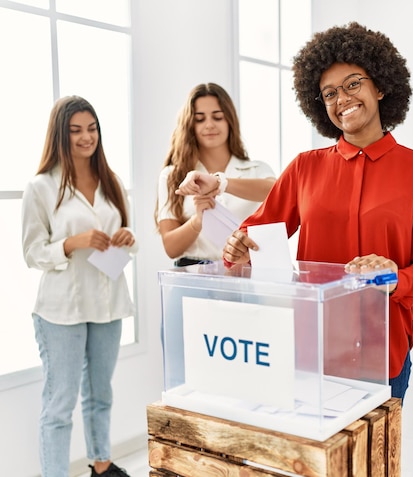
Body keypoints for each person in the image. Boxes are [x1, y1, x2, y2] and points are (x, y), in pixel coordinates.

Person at [177, 23, 413, 401]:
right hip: (313, 350)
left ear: (381, 86)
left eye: (353, 84)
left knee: (377, 460)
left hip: (385, 350)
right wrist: (237, 246)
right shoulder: (305, 168)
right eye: (329, 93)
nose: (342, 99)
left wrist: (394, 278)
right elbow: (254, 233)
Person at [21, 96, 136, 477]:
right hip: (61, 311)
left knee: (100, 394)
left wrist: (124, 237)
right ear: (60, 135)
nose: (86, 137)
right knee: (59, 404)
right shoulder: (41, 187)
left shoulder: (111, 180)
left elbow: (132, 240)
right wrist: (73, 242)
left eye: (92, 128)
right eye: (76, 131)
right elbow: (32, 252)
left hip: (107, 304)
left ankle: (101, 465)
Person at [155, 82, 276, 265]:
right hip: (193, 279)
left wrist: (221, 183)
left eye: (218, 117)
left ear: (229, 120)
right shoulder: (172, 175)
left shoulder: (257, 169)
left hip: (246, 274)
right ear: (190, 124)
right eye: (200, 119)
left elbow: (276, 191)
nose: (209, 125)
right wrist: (197, 220)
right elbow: (171, 248)